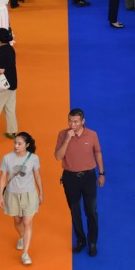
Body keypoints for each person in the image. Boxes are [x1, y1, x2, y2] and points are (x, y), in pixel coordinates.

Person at [54, 109, 106, 257]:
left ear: (83, 121)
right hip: (70, 178)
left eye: (76, 121)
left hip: (88, 178)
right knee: (75, 211)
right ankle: (80, 240)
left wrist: (101, 173)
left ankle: (92, 242)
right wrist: (67, 140)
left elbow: (98, 153)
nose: (72, 124)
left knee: (91, 211)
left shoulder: (92, 135)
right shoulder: (62, 134)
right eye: (70, 121)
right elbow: (58, 157)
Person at [0, 130, 44, 265]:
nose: (16, 146)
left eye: (19, 144)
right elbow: (3, 178)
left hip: (29, 194)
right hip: (12, 193)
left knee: (27, 222)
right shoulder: (7, 158)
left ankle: (25, 253)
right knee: (17, 220)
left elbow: (37, 176)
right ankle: (22, 236)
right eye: (15, 143)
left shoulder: (34, 158)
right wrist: (0, 196)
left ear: (27, 145)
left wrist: (41, 192)